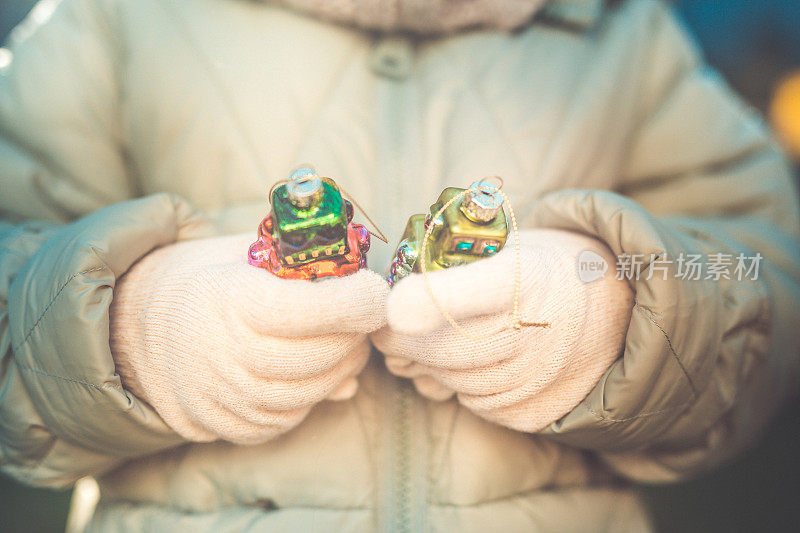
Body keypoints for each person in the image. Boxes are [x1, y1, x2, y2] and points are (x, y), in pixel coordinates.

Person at [1, 0, 798, 531]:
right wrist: (132, 332)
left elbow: (766, 273)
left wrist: (621, 315)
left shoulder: (625, 31)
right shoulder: (114, 17)